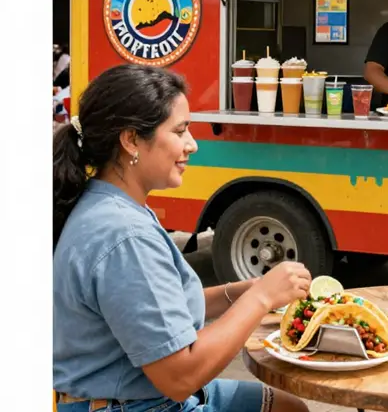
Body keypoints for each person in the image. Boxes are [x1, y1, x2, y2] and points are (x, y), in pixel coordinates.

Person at [53, 64, 311, 412]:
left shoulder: (111, 204)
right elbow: (180, 377)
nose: (192, 145)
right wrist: (262, 298)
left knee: (286, 407)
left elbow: (159, 310)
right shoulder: (124, 235)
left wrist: (240, 292)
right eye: (180, 131)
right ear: (130, 140)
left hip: (136, 394)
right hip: (132, 404)